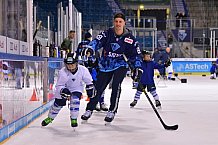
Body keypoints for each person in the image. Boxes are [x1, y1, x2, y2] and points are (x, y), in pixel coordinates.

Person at [81, 13, 142, 123]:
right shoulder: (107, 34)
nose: (118, 24)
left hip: (121, 65)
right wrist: (90, 48)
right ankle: (89, 109)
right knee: (98, 88)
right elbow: (96, 42)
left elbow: (136, 55)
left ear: (124, 23)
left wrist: (137, 68)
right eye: (116, 21)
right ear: (114, 22)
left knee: (116, 85)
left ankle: (112, 110)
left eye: (120, 22)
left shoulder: (130, 39)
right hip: (105, 65)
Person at [41, 53, 94, 128]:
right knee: (57, 105)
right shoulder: (63, 71)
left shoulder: (83, 70)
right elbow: (59, 85)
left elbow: (88, 81)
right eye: (68, 64)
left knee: (75, 101)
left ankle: (74, 118)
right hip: (64, 89)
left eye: (72, 64)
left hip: (76, 88)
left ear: (76, 63)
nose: (70, 66)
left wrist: (90, 87)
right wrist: (63, 90)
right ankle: (50, 118)